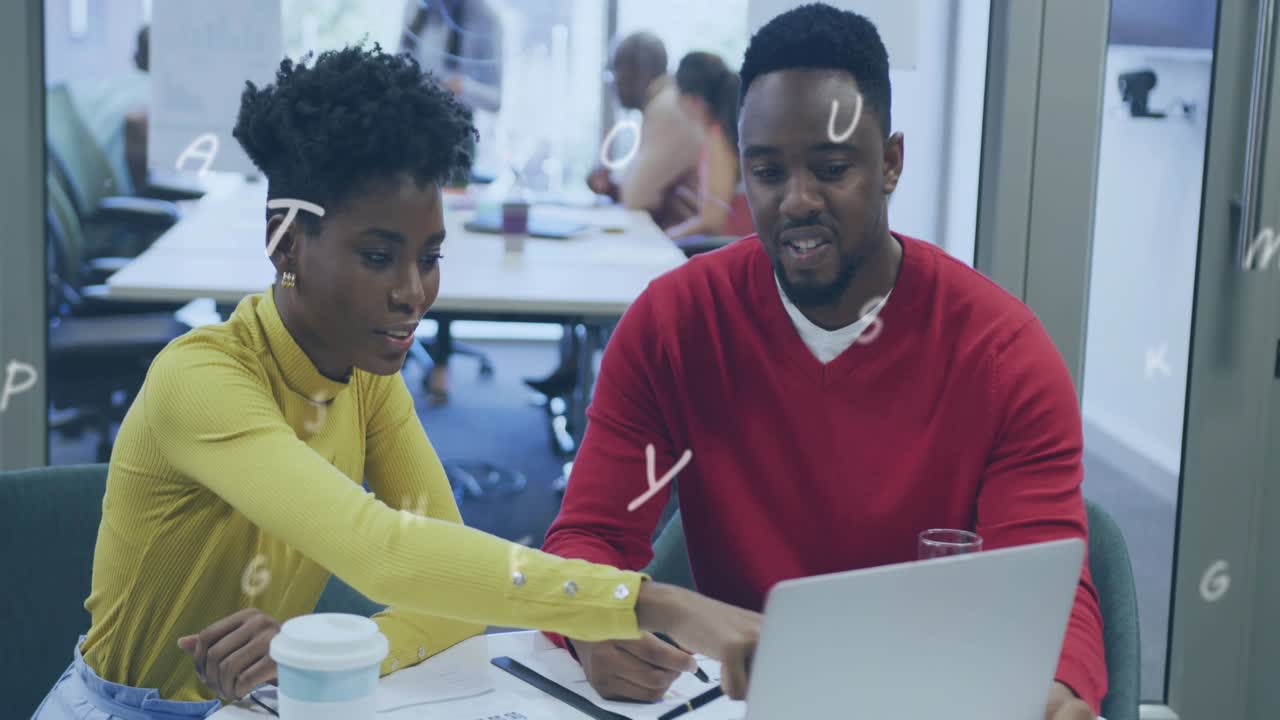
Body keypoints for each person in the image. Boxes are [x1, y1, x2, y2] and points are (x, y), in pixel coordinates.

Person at [32, 44, 760, 720]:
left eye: (429, 256)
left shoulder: (364, 380)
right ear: (286, 242)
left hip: (261, 706)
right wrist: (659, 604)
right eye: (378, 256)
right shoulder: (201, 377)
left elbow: (447, 596)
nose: (413, 292)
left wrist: (311, 650)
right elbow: (384, 551)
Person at [540, 5, 1104, 719]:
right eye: (768, 172)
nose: (796, 201)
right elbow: (587, 539)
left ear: (891, 161)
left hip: (934, 701)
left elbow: (1047, 591)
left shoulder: (1002, 356)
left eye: (832, 169)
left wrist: (1056, 691)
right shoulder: (675, 328)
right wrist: (593, 625)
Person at [400, 0, 504, 404]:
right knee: (408, 242)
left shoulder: (485, 20)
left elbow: (496, 98)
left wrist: (460, 86)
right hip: (409, 140)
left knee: (444, 247)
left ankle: (441, 360)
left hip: (455, 140)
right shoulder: (418, 10)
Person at [586, 32, 703, 231]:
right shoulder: (668, 102)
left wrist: (620, 189)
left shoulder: (667, 109)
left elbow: (637, 198)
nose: (613, 84)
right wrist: (613, 188)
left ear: (638, 71)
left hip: (681, 245)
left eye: (615, 72)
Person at [666, 51, 754, 242]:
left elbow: (712, 221)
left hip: (731, 249)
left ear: (693, 100)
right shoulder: (728, 133)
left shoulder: (718, 139)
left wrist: (665, 238)